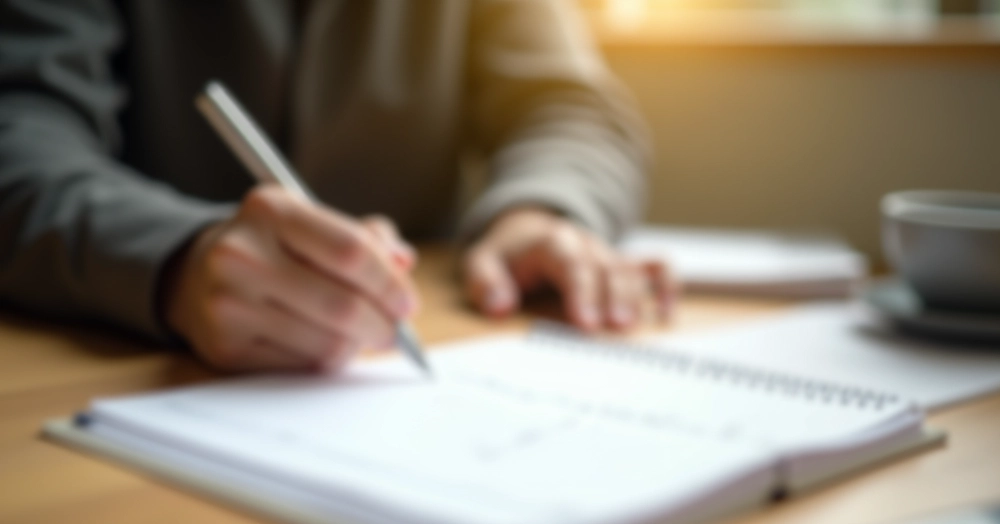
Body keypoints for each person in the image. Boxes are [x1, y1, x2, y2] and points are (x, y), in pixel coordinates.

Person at [0, 0, 671, 372]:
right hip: (125, 369)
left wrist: (538, 209)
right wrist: (175, 255)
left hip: (424, 318)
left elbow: (572, 105)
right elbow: (20, 132)